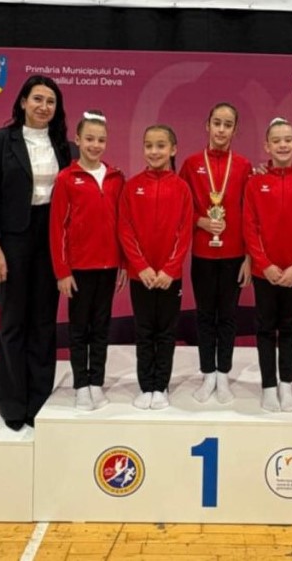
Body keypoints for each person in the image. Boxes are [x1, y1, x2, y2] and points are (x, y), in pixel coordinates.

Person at [0, 75, 76, 431]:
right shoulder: (0, 141)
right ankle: (13, 405)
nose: (43, 106)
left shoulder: (65, 148)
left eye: (50, 101)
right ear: (22, 102)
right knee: (13, 322)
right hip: (12, 242)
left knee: (43, 323)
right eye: (37, 99)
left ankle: (38, 403)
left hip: (49, 240)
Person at [49, 110, 126, 411]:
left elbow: (124, 224)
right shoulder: (66, 179)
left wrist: (123, 263)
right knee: (80, 328)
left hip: (108, 267)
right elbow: (57, 228)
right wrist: (62, 271)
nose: (95, 145)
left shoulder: (116, 178)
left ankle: (97, 382)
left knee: (101, 326)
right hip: (79, 269)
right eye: (90, 139)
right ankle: (81, 384)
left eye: (101, 140)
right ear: (78, 139)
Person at [179, 103, 253, 404]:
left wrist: (249, 257)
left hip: (234, 254)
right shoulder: (191, 163)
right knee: (205, 315)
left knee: (228, 316)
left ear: (235, 130)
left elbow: (251, 214)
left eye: (228, 124)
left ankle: (224, 374)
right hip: (203, 254)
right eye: (217, 123)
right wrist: (200, 221)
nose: (221, 130)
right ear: (207, 125)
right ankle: (207, 373)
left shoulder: (244, 166)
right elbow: (180, 207)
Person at [243, 118, 292, 413]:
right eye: (276, 140)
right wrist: (264, 265)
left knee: (287, 328)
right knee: (265, 329)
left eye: (288, 140)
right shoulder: (254, 183)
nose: (282, 145)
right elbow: (250, 228)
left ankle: (286, 384)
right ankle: (268, 387)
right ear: (267, 146)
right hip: (265, 273)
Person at [118, 124, 193, 410]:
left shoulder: (182, 188)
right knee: (144, 330)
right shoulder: (132, 186)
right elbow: (126, 230)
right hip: (142, 277)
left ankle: (160, 386)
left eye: (161, 146)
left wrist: (169, 270)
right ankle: (145, 385)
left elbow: (184, 232)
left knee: (165, 332)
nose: (154, 151)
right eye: (149, 145)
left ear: (173, 149)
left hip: (169, 278)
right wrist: (142, 267)